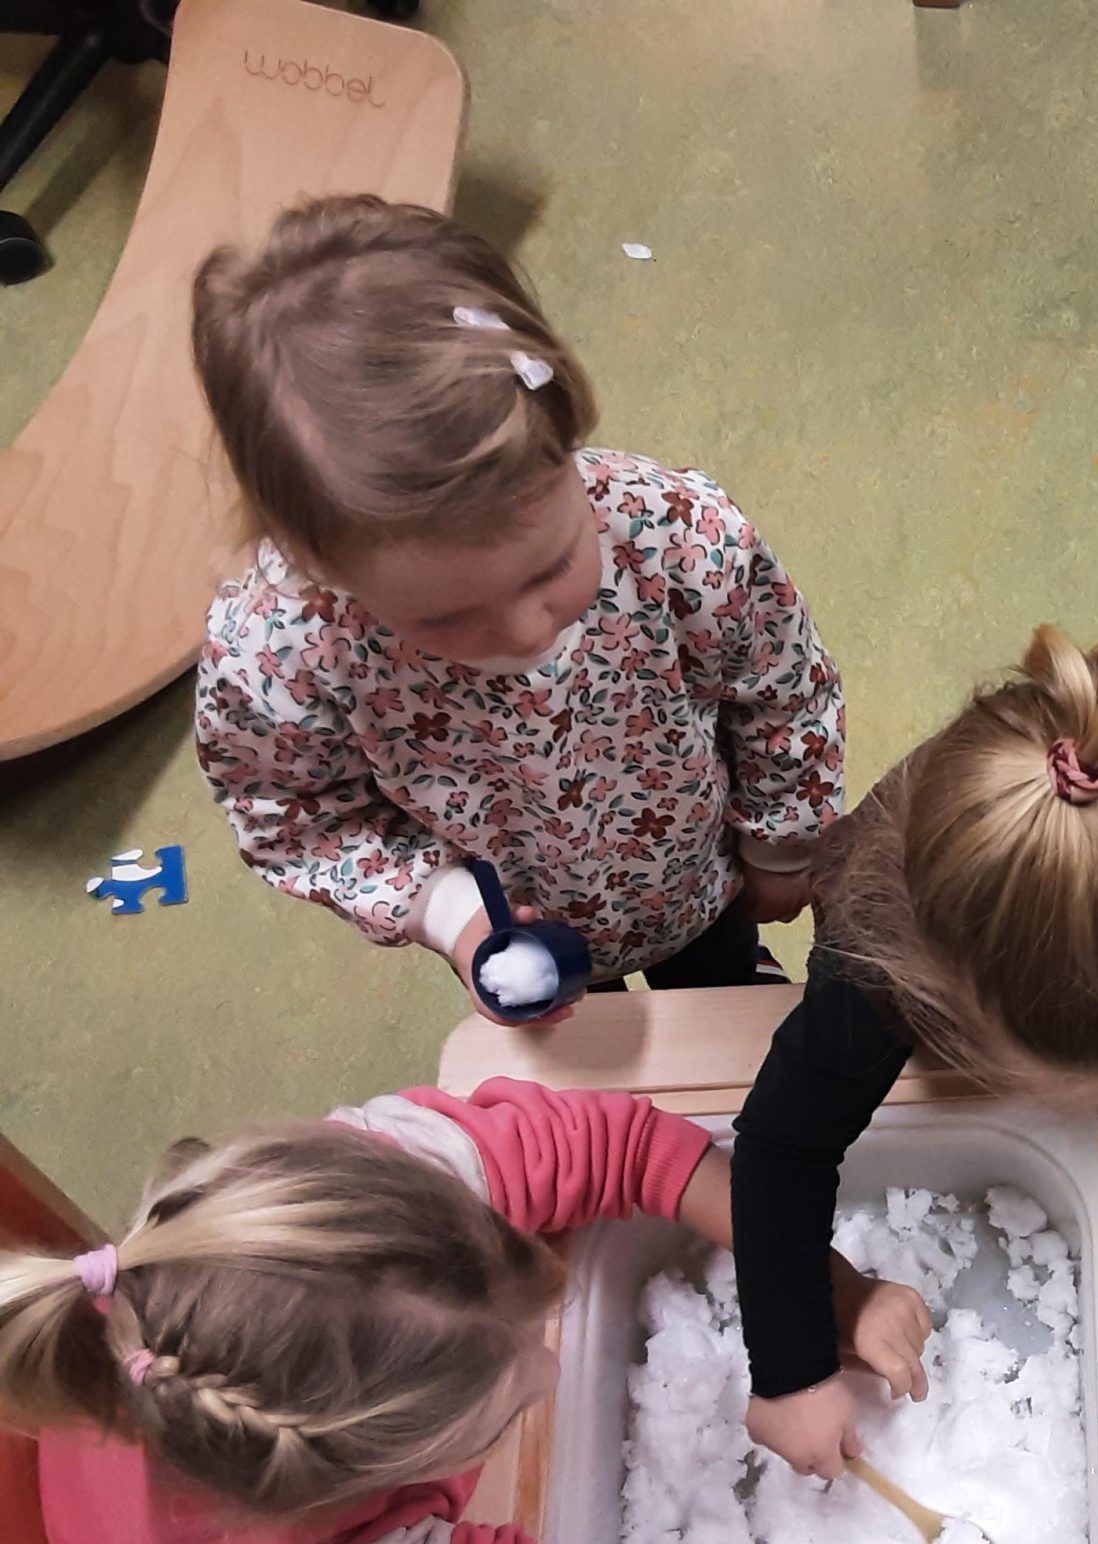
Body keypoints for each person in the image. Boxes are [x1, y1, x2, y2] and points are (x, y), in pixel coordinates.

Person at [0, 1079, 1013, 1544]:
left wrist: (824, 1295)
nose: (548, 1370)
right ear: (373, 1483)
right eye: (496, 1411)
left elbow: (621, 1147)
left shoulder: (395, 1183)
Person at [191, 195, 844, 1016]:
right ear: (317, 559)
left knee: (724, 990)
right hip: (519, 924)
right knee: (583, 1045)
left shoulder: (673, 534)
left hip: (700, 879)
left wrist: (782, 844)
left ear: (564, 431)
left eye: (552, 566)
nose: (526, 630)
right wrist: (450, 915)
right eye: (446, 618)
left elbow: (781, 687)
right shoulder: (281, 660)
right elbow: (296, 815)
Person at [731, 627, 1098, 1476]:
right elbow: (781, 1150)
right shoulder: (869, 977)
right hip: (902, 898)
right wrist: (791, 1372)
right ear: (945, 1006)